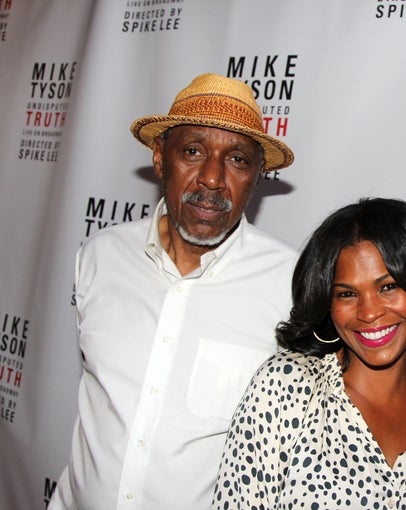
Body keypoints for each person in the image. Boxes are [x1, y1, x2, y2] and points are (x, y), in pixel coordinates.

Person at [49, 73, 296, 509]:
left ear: (258, 176)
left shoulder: (291, 284)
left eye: (237, 159)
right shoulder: (99, 257)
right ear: (160, 158)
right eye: (193, 151)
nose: (213, 178)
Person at [213, 198, 406, 509]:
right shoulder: (286, 387)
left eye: (388, 287)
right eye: (346, 294)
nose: (369, 313)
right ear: (327, 305)